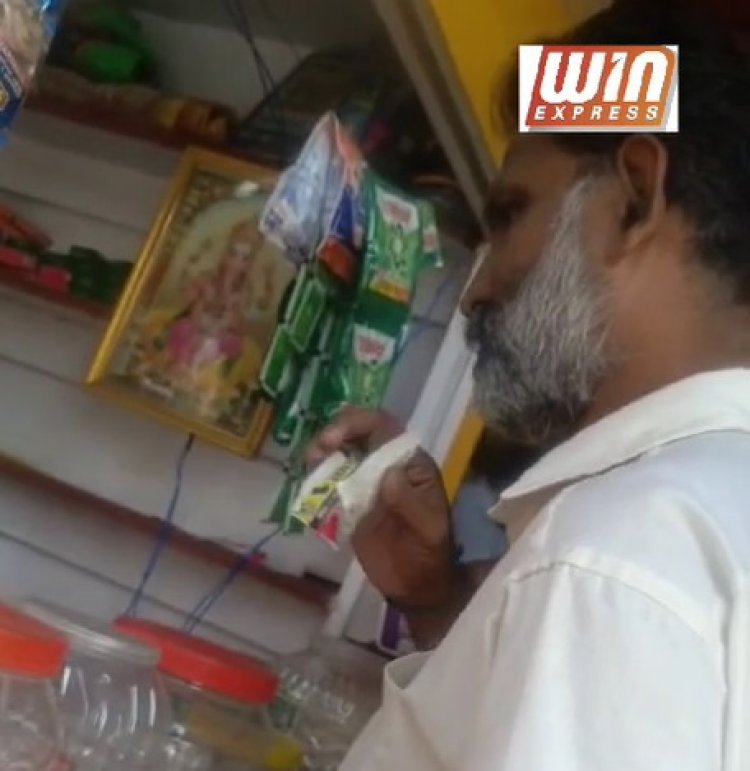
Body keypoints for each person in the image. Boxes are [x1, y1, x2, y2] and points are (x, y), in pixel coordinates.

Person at [305, 2, 750, 769]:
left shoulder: (610, 557)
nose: (475, 293)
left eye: (510, 216)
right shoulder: (698, 515)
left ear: (634, 200)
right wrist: (442, 601)